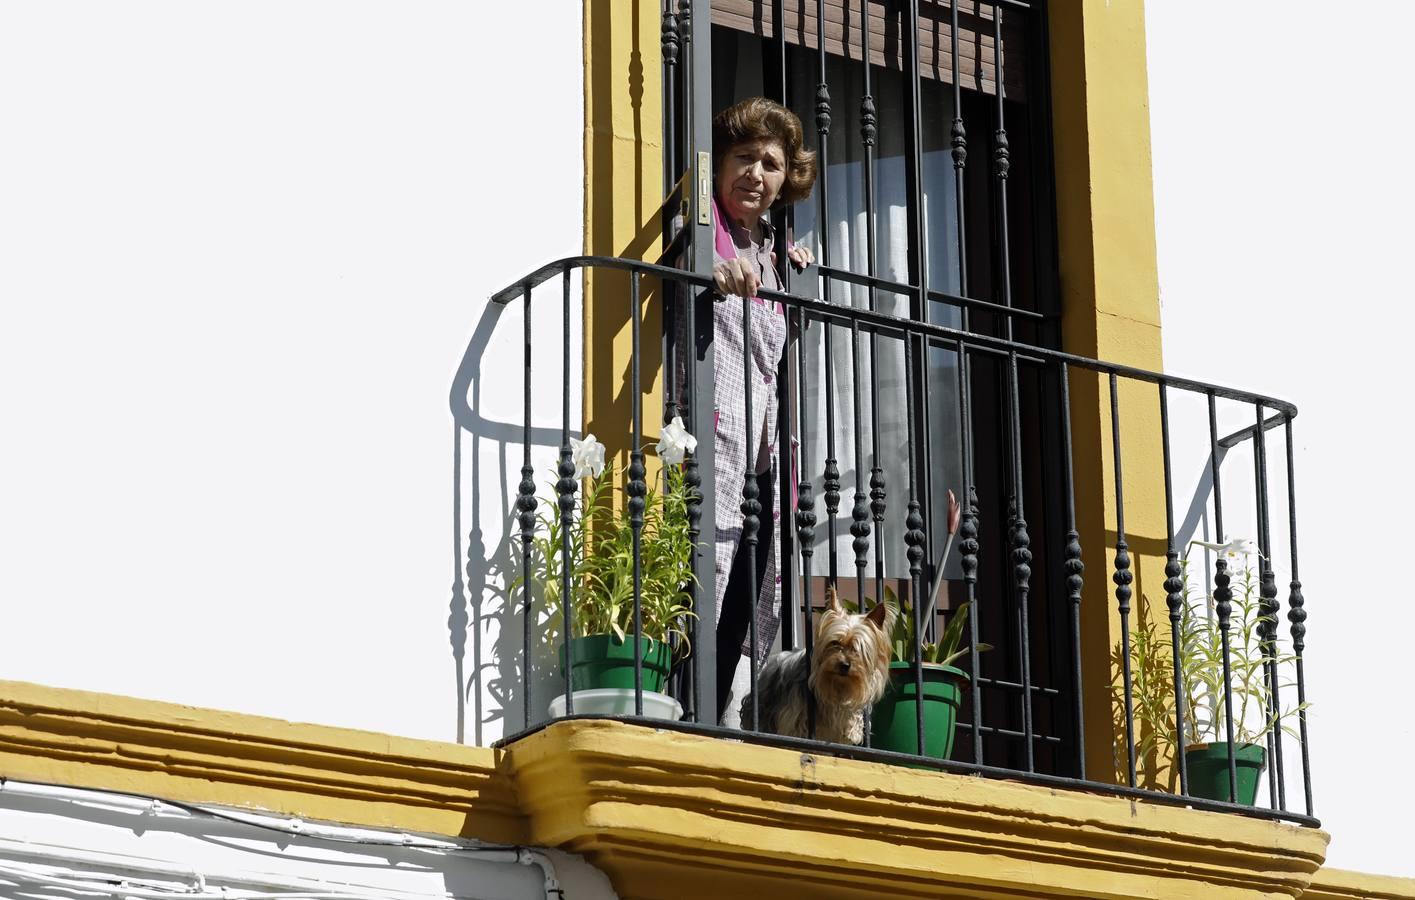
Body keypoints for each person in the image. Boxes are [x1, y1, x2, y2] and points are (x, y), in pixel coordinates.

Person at [702, 97, 817, 725]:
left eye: (771, 163)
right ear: (720, 164)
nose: (756, 173)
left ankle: (721, 712)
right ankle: (694, 709)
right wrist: (716, 272)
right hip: (713, 447)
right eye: (744, 157)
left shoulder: (777, 254)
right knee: (709, 579)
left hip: (765, 457)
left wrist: (791, 284)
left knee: (750, 586)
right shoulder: (704, 231)